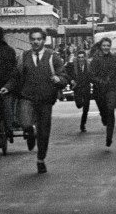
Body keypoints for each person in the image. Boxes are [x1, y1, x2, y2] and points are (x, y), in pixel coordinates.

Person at [4, 28, 68, 174]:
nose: (35, 42)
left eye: (38, 39)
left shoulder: (53, 57)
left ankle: (40, 159)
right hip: (27, 97)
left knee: (44, 132)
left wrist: (59, 80)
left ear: (44, 41)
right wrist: (7, 88)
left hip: (46, 100)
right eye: (33, 39)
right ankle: (30, 131)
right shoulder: (23, 57)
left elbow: (65, 76)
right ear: (30, 40)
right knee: (25, 122)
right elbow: (15, 77)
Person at [89, 38, 116, 147]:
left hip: (111, 88)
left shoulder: (115, 58)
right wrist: (100, 81)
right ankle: (103, 116)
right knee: (104, 112)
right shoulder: (96, 60)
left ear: (110, 46)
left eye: (108, 45)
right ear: (101, 46)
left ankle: (109, 137)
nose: (106, 47)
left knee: (111, 111)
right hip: (99, 90)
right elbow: (91, 75)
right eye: (104, 45)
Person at [66, 49, 92, 132]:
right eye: (79, 57)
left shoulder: (89, 66)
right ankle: (80, 103)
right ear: (77, 58)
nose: (81, 59)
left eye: (82, 57)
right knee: (79, 105)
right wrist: (71, 80)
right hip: (77, 88)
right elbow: (65, 73)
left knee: (86, 108)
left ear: (85, 58)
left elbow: (93, 75)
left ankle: (82, 125)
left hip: (86, 88)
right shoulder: (72, 65)